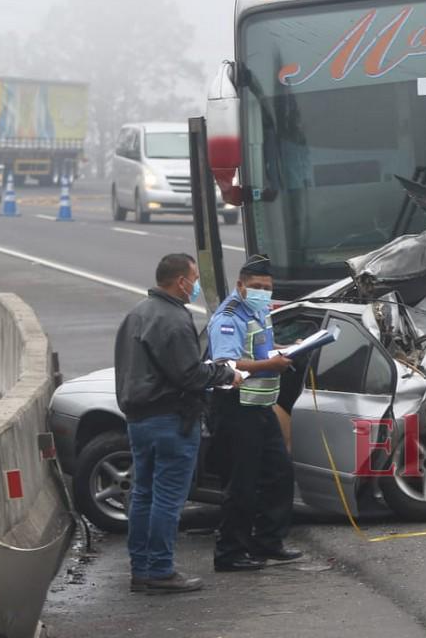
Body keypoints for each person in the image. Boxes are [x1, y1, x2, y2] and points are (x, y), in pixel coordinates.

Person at [115, 253, 236, 593]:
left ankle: (141, 568)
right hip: (171, 419)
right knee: (168, 498)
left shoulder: (136, 314)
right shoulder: (174, 318)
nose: (195, 285)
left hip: (138, 420)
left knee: (143, 495)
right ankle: (160, 569)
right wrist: (227, 374)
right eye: (194, 279)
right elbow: (189, 374)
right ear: (181, 281)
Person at [207, 254, 301, 571]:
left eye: (267, 287)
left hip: (261, 406)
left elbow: (260, 349)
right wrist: (270, 365)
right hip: (236, 407)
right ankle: (230, 553)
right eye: (257, 286)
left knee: (279, 474)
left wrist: (288, 350)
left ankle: (268, 542)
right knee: (242, 485)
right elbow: (226, 364)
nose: (263, 292)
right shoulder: (229, 317)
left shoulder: (259, 311)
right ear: (241, 285)